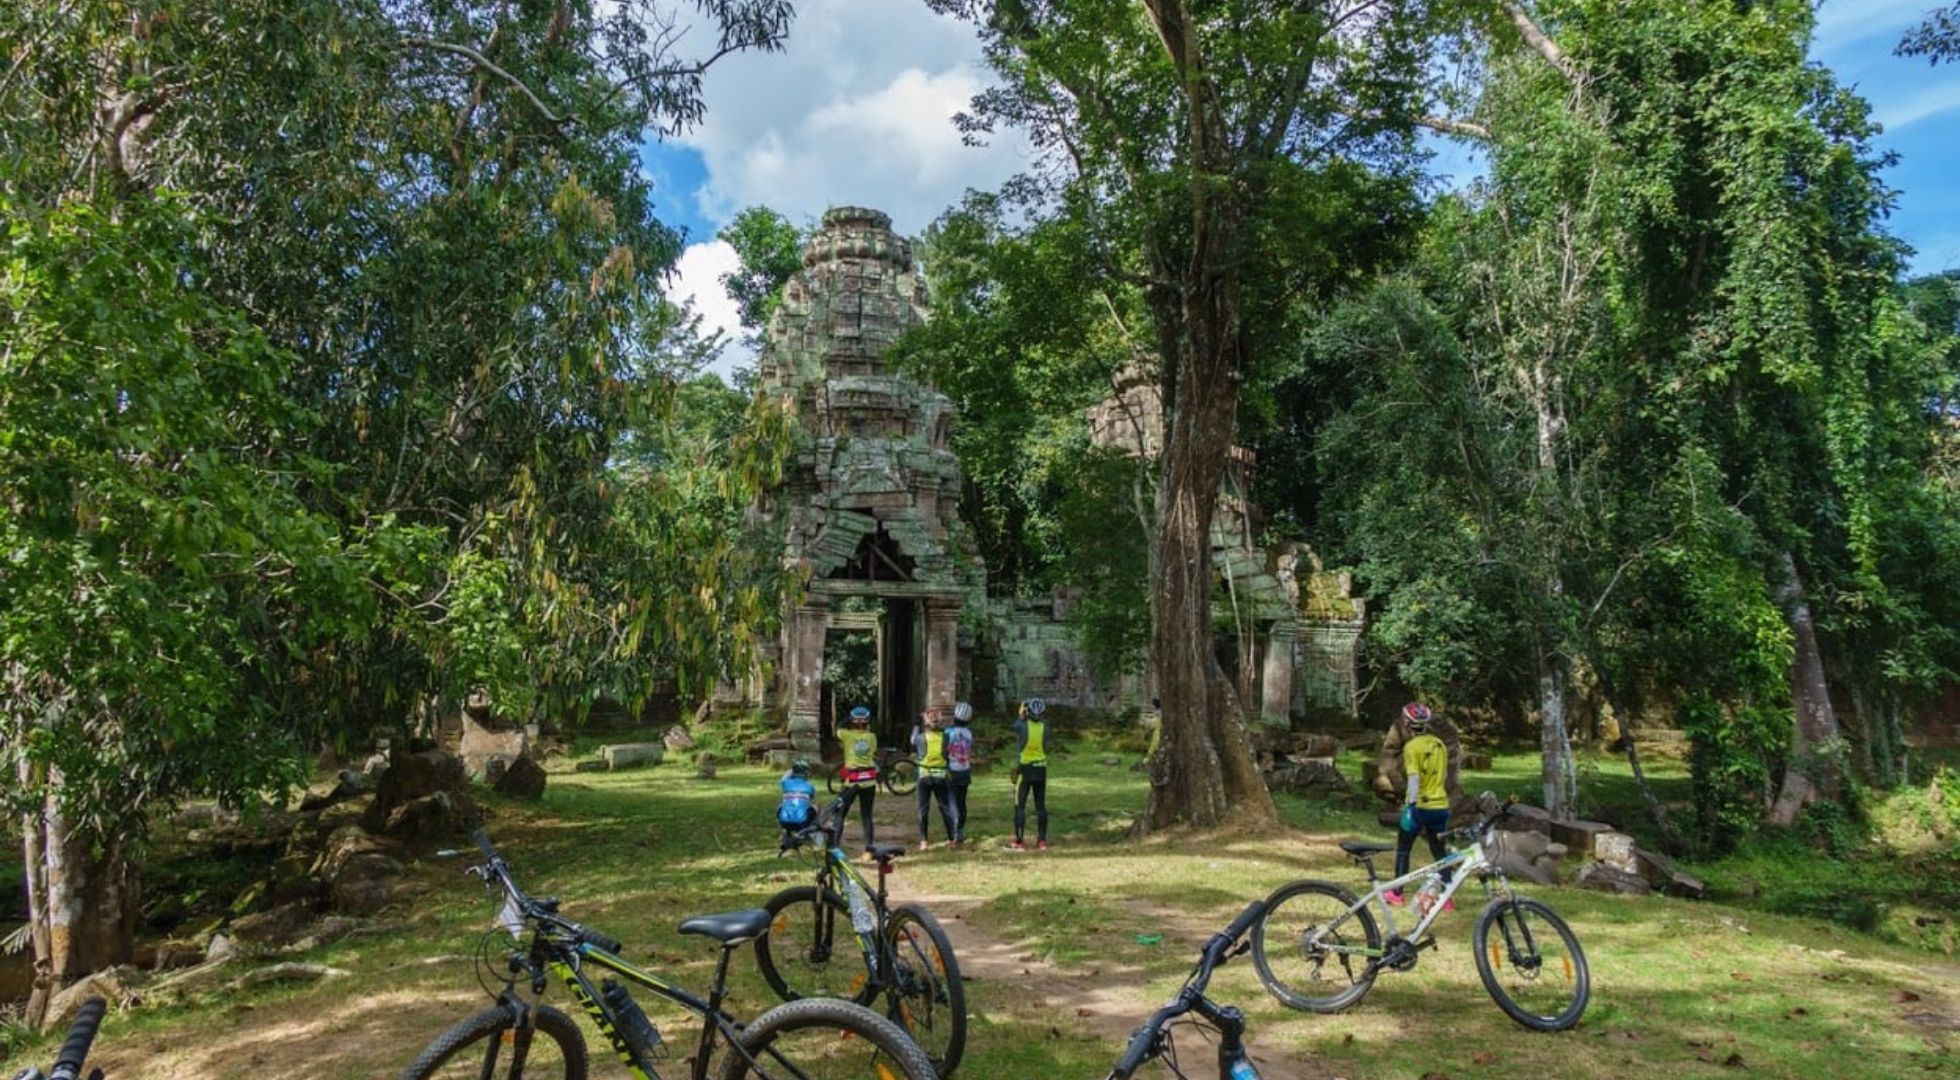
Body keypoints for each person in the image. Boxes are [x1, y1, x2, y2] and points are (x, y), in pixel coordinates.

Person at [1386, 702, 1454, 911]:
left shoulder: (1411, 747)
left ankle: (1397, 893)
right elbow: (1442, 775)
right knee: (1439, 851)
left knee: (1404, 849)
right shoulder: (1439, 745)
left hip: (1420, 807)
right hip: (1440, 805)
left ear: (1407, 723)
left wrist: (1410, 805)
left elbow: (1414, 778)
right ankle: (1447, 897)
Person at [1007, 697, 1050, 851]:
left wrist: (1020, 715)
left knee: (1020, 805)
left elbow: (1014, 726)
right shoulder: (1046, 727)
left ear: (1028, 711)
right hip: (1041, 768)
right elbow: (1046, 746)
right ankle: (1042, 841)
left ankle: (1019, 841)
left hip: (1024, 769)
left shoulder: (1022, 725)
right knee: (1041, 806)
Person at [911, 708, 958, 849]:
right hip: (941, 776)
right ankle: (951, 840)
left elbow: (912, 740)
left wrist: (916, 724)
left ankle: (924, 841)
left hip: (924, 776)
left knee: (923, 809)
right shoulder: (946, 737)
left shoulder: (920, 738)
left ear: (925, 722)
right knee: (945, 808)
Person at [838, 704, 880, 858]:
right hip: (869, 779)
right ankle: (869, 849)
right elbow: (873, 751)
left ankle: (834, 845)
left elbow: (838, 728)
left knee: (840, 813)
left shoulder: (846, 735)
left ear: (851, 721)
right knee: (867, 815)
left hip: (852, 780)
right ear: (868, 722)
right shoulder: (872, 737)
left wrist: (847, 719)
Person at [944, 701, 976, 845]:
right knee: (962, 802)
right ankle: (961, 830)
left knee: (952, 802)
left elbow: (944, 751)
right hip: (965, 770)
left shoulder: (948, 732)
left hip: (951, 770)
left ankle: (954, 832)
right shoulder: (969, 733)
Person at [777, 758, 817, 833]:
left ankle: (785, 831)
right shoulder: (809, 786)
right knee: (815, 806)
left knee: (781, 804)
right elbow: (812, 798)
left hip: (783, 822)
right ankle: (811, 831)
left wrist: (791, 770)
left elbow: (782, 779)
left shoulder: (786, 783)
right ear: (806, 773)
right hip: (802, 823)